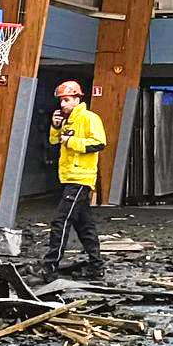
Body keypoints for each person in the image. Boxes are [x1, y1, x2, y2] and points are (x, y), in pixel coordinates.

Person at [41, 81, 107, 282]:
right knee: (84, 225)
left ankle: (50, 266)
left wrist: (72, 142)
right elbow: (54, 142)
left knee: (60, 221)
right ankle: (96, 267)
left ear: (77, 99)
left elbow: (99, 143)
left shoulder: (89, 118)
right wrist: (55, 126)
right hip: (69, 178)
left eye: (67, 100)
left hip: (81, 178)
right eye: (61, 100)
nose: (63, 104)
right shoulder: (67, 121)